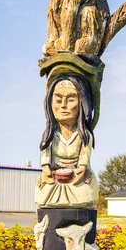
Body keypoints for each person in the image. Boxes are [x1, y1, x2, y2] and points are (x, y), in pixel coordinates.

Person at [35, 75, 98, 208]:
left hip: (77, 179)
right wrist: (48, 172)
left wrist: (78, 171)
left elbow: (83, 163)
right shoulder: (49, 136)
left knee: (85, 195)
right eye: (58, 100)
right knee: (44, 195)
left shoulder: (84, 136)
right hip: (53, 178)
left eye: (70, 99)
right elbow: (45, 162)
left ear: (82, 103)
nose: (63, 105)